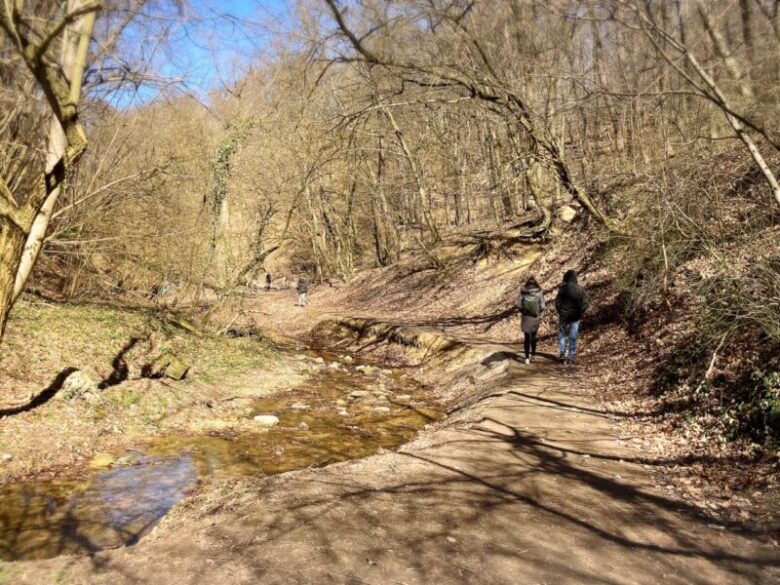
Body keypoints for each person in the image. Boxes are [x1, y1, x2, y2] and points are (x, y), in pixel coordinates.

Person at [555, 269, 588, 365]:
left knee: (562, 334)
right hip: (575, 316)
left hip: (564, 315)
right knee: (572, 336)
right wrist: (580, 312)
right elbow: (585, 303)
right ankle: (571, 356)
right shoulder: (580, 289)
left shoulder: (563, 288)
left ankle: (562, 353)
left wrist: (560, 311)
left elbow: (557, 302)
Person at [517, 276, 545, 365]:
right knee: (534, 336)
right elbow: (543, 306)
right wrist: (538, 312)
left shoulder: (523, 291)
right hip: (535, 317)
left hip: (526, 317)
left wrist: (523, 311)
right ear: (535, 283)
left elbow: (518, 304)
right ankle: (533, 355)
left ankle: (526, 358)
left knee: (526, 338)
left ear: (527, 283)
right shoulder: (539, 292)